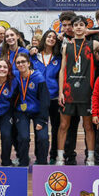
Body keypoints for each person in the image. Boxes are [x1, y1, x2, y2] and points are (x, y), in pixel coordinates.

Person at [55, 16, 99, 166]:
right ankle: (60, 157)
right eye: (75, 25)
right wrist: (60, 92)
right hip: (69, 92)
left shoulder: (93, 44)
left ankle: (90, 157)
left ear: (86, 27)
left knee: (88, 126)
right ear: (72, 28)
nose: (78, 27)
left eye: (81, 25)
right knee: (64, 126)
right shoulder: (66, 46)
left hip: (87, 92)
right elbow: (62, 70)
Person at [13, 52, 50, 166]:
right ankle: (23, 162)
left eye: (23, 62)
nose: (21, 64)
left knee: (42, 138)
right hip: (21, 112)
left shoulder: (38, 77)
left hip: (38, 112)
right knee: (23, 137)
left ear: (29, 63)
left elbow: (45, 100)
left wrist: (42, 120)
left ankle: (42, 163)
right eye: (18, 63)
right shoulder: (15, 76)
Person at [31, 30, 61, 163]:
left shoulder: (58, 57)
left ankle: (53, 156)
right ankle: (39, 157)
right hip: (39, 99)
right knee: (39, 129)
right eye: (49, 36)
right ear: (44, 38)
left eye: (54, 38)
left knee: (56, 129)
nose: (51, 39)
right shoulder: (34, 56)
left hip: (54, 98)